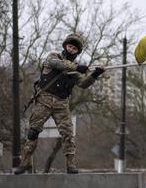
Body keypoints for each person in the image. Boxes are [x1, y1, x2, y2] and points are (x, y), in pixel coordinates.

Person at [14, 33, 104, 175]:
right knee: (33, 131)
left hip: (61, 104)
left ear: (77, 51)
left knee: (68, 134)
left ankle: (71, 164)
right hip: (44, 100)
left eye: (74, 48)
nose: (71, 50)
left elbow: (84, 84)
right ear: (65, 46)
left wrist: (95, 75)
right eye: (69, 46)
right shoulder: (53, 57)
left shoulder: (75, 71)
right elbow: (58, 65)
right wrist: (77, 66)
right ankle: (25, 162)